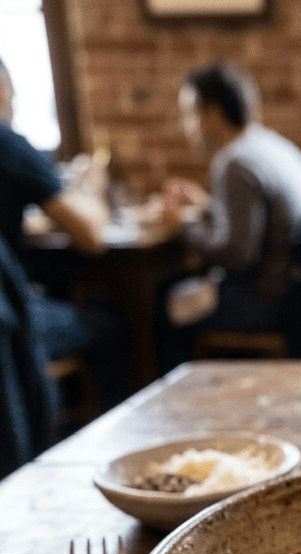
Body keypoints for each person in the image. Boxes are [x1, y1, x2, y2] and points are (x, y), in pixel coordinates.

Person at [158, 62, 301, 369]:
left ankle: (177, 406)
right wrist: (209, 206)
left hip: (266, 301)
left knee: (163, 304)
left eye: (189, 113)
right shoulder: (272, 145)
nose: (187, 126)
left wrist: (182, 224)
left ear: (213, 113)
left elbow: (237, 254)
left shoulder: (234, 162)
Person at [0, 56, 130, 422]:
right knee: (109, 325)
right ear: (1, 91)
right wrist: (92, 187)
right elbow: (91, 235)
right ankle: (108, 437)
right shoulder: (7, 143)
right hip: (12, 319)